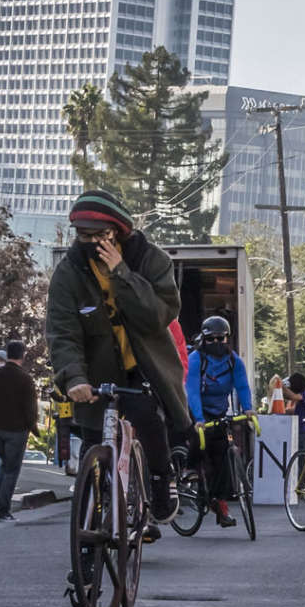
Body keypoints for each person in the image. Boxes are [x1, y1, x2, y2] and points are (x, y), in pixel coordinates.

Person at [44, 188, 187, 534]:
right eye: (84, 235)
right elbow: (62, 332)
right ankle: (87, 538)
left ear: (118, 231)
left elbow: (156, 316)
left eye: (100, 235)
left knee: (148, 420)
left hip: (143, 368)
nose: (91, 242)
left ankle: (158, 482)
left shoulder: (151, 261)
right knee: (93, 447)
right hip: (95, 374)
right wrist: (73, 377)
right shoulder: (69, 273)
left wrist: (121, 272)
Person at [182, 314, 254, 527]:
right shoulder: (196, 359)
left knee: (223, 454)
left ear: (227, 339)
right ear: (204, 339)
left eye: (220, 338)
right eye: (211, 339)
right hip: (197, 409)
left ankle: (219, 504)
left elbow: (242, 386)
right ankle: (190, 468)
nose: (216, 343)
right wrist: (199, 418)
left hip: (220, 411)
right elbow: (192, 390)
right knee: (198, 438)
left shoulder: (234, 361)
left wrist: (248, 409)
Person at [0, 339, 40, 521]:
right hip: (17, 429)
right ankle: (2, 508)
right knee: (11, 469)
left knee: (5, 466)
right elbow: (30, 408)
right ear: (23, 355)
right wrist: (33, 427)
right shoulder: (25, 379)